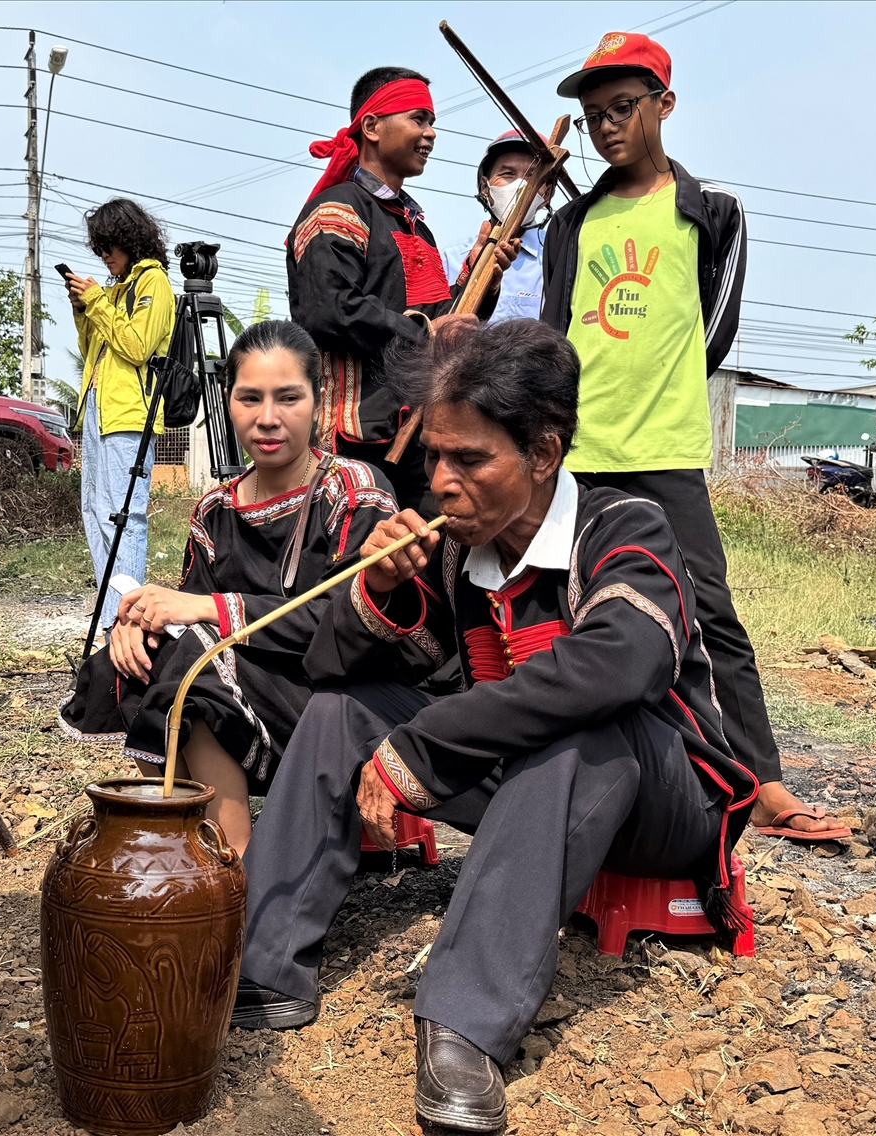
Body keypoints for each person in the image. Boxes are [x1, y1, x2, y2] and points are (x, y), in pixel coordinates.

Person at [232, 320, 757, 1133]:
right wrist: (376, 589)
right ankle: (264, 962)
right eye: (433, 458)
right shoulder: (453, 555)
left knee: (579, 724)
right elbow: (330, 671)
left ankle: (463, 1024)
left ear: (544, 453)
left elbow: (619, 666)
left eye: (469, 460)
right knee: (343, 715)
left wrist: (425, 747)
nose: (441, 482)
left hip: (660, 798)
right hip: (526, 783)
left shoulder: (625, 529)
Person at [540, 32, 845, 841]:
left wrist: (657, 390)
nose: (607, 126)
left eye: (623, 109)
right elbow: (554, 334)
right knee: (568, 612)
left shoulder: (710, 211)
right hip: (580, 455)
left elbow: (711, 332)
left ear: (663, 106)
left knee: (709, 613)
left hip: (667, 453)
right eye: (593, 114)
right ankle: (571, 778)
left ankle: (764, 781)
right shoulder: (573, 223)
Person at [59, 321, 399, 853]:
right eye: (250, 398)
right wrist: (134, 626)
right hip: (238, 691)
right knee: (140, 656)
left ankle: (231, 862)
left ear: (320, 399)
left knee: (195, 659)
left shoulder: (352, 490)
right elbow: (183, 620)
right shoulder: (216, 509)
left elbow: (347, 619)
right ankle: (166, 836)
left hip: (332, 697)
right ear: (228, 401)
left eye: (289, 397)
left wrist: (205, 609)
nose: (268, 418)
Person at [287, 67, 498, 515]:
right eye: (419, 119)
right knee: (353, 563)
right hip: (355, 437)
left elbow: (438, 316)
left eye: (432, 122)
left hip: (419, 427)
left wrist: (480, 281)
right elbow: (327, 309)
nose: (431, 133)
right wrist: (423, 332)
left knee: (424, 559)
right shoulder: (337, 209)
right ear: (372, 127)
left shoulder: (415, 225)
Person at [65, 198, 177, 632]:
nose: (104, 257)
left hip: (131, 414)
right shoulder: (116, 289)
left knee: (123, 514)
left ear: (128, 239)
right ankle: (112, 609)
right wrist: (84, 310)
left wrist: (96, 300)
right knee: (94, 510)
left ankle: (126, 619)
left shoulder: (154, 283)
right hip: (97, 409)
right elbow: (93, 349)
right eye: (99, 250)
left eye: (108, 247)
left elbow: (135, 346)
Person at [440, 130, 556, 325]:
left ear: (547, 195)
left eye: (532, 176)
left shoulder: (556, 259)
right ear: (485, 188)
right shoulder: (451, 260)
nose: (520, 185)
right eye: (508, 174)